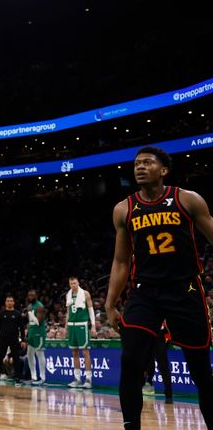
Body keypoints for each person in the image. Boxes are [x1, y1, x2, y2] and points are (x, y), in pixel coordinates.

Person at [105, 146, 213, 429]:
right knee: (130, 360)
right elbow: (120, 261)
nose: (139, 167)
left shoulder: (187, 200)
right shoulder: (124, 209)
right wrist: (110, 302)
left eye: (147, 162)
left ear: (163, 170)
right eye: (137, 163)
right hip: (145, 292)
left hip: (185, 290)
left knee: (201, 370)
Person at [64, 277, 96, 388]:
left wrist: (93, 326)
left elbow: (91, 310)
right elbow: (67, 312)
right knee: (74, 353)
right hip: (72, 326)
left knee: (85, 352)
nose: (73, 285)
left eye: (74, 283)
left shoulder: (85, 294)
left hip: (82, 325)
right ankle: (77, 379)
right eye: (71, 283)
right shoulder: (68, 295)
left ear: (78, 283)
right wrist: (66, 327)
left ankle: (88, 379)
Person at [0, 296, 26, 383]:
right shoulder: (1, 314)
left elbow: (22, 328)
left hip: (14, 338)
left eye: (11, 301)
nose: (9, 302)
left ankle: (18, 376)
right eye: (8, 301)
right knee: (0, 357)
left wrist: (23, 340)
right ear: (5, 303)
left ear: (14, 303)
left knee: (16, 357)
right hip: (3, 338)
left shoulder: (18, 314)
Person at [25, 289, 47, 385]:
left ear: (36, 296)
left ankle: (42, 377)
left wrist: (30, 314)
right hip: (31, 333)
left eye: (32, 295)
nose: (30, 297)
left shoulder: (40, 306)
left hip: (39, 333)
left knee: (39, 353)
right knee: (29, 354)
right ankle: (33, 376)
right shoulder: (29, 306)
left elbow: (38, 322)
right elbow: (30, 322)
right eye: (29, 295)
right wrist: (27, 332)